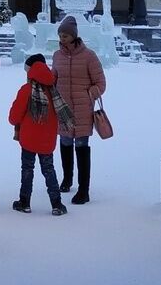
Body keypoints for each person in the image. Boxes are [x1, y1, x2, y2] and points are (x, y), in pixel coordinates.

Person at [9, 53, 72, 216]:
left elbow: (14, 117)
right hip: (47, 140)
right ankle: (57, 204)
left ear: (30, 72)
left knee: (27, 169)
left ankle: (24, 202)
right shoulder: (54, 92)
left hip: (28, 139)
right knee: (49, 170)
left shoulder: (27, 90)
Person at [51, 15, 106, 205]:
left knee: (81, 147)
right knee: (65, 143)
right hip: (63, 109)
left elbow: (101, 83)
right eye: (60, 35)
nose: (62, 38)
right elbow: (54, 78)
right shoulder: (57, 56)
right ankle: (67, 180)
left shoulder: (89, 56)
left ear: (74, 36)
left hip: (83, 109)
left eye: (65, 35)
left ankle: (84, 190)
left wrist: (90, 92)